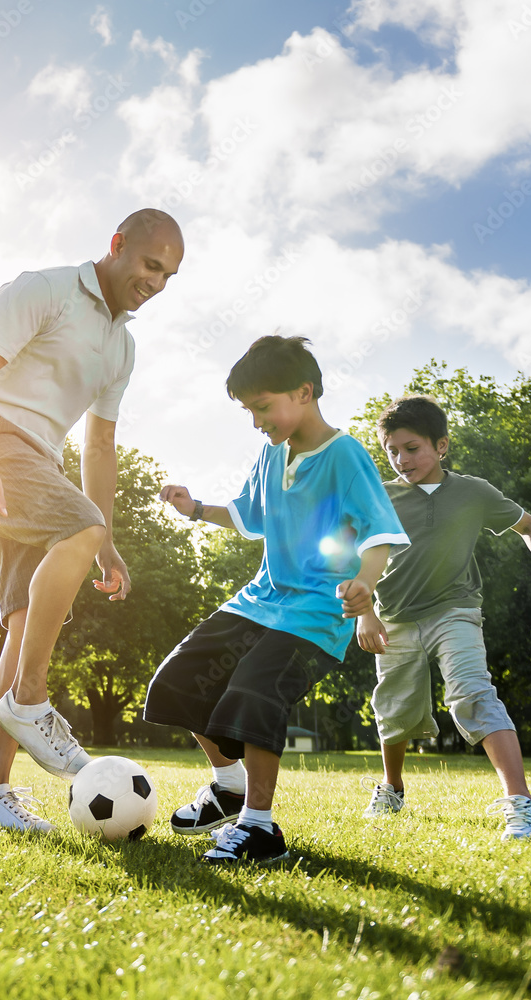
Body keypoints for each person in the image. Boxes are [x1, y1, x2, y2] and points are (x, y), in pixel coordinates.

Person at [0, 209, 184, 832]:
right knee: (77, 530)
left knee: (23, 623)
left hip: (37, 464)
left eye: (169, 275)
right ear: (117, 245)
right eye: (151, 265)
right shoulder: (43, 289)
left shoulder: (122, 347)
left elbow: (99, 447)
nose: (156, 283)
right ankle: (30, 699)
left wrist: (106, 543)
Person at [143, 335, 409, 866]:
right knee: (176, 680)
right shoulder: (270, 452)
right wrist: (195, 508)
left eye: (262, 407)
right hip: (259, 600)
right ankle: (229, 786)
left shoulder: (345, 456)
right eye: (249, 410)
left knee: (254, 689)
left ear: (304, 392)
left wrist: (367, 583)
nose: (257, 420)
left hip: (315, 613)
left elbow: (379, 532)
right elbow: (250, 515)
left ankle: (259, 827)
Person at [356, 394, 531, 839]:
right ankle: (392, 787)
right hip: (394, 618)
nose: (402, 459)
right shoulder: (380, 498)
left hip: (455, 610)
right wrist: (364, 614)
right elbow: (358, 557)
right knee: (396, 709)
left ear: (441, 446)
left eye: (412, 448)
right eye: (392, 451)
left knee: (472, 693)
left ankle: (524, 805)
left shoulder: (473, 492)